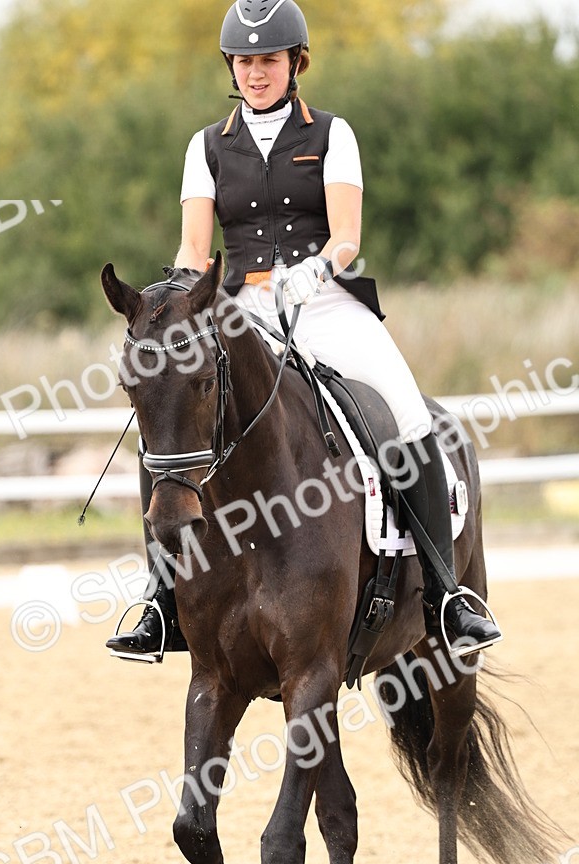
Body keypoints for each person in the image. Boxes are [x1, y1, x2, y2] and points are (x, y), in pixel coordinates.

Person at [107, 0, 501, 660]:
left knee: (409, 416)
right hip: (238, 311)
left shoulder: (333, 135)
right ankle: (162, 601)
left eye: (269, 59)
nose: (256, 72)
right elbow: (194, 249)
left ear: (296, 63)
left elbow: (346, 236)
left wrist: (312, 272)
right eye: (245, 62)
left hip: (324, 301)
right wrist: (175, 297)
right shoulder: (207, 146)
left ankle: (445, 597)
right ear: (231, 68)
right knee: (170, 422)